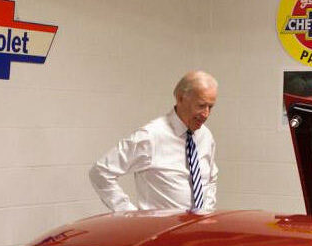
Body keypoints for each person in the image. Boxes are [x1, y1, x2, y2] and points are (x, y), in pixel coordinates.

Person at [89, 70, 218, 212]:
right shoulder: (150, 136)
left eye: (210, 107)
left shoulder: (205, 136)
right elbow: (100, 172)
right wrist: (130, 215)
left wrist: (206, 212)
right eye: (201, 105)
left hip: (199, 230)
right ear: (180, 98)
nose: (206, 114)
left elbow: (210, 178)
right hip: (161, 231)